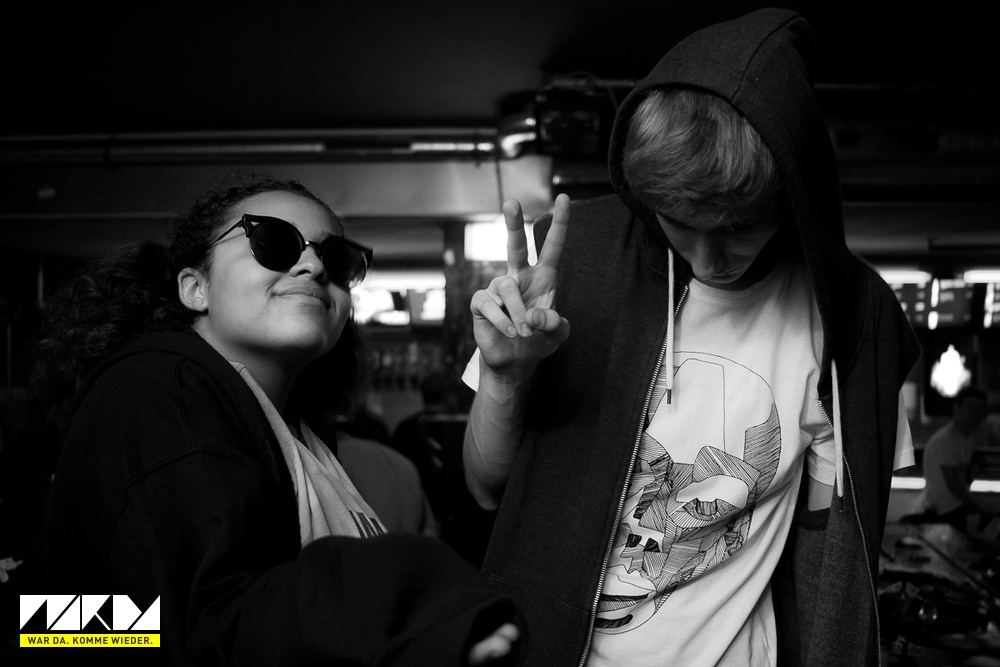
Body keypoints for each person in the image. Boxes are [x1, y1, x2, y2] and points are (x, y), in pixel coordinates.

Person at [463, 8, 920, 667]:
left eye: (737, 225)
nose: (709, 258)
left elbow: (828, 554)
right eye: (679, 221)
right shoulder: (574, 264)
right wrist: (506, 377)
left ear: (791, 195)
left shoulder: (847, 314)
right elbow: (485, 488)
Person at [27, 175, 522, 666]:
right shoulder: (158, 386)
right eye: (274, 242)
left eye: (336, 259)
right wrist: (415, 593)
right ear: (195, 288)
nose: (314, 266)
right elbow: (190, 624)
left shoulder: (292, 429)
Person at [920, 386, 997, 531]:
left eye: (980, 409)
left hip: (952, 506)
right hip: (944, 509)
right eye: (970, 407)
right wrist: (979, 506)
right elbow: (954, 485)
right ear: (956, 408)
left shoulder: (967, 439)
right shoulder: (946, 440)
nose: (975, 413)